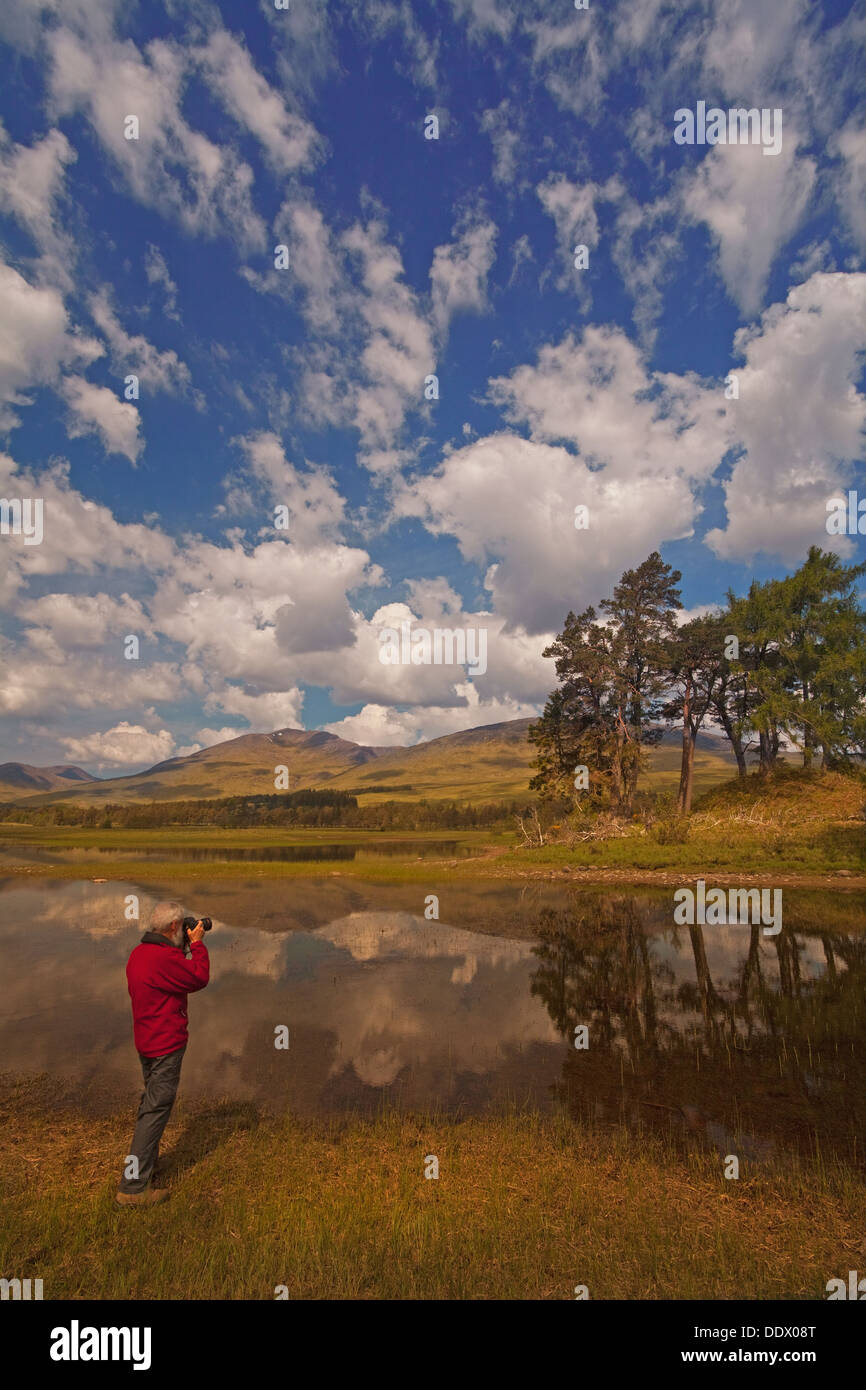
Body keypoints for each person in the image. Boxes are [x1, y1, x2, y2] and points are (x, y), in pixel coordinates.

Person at [116, 901, 210, 1207]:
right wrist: (196, 945)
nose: (185, 929)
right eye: (181, 925)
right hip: (165, 1046)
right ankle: (132, 1188)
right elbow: (198, 977)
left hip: (146, 1043)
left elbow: (169, 974)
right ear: (173, 927)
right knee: (155, 1112)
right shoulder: (163, 959)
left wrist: (181, 945)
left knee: (150, 1106)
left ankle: (144, 1167)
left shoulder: (139, 954)